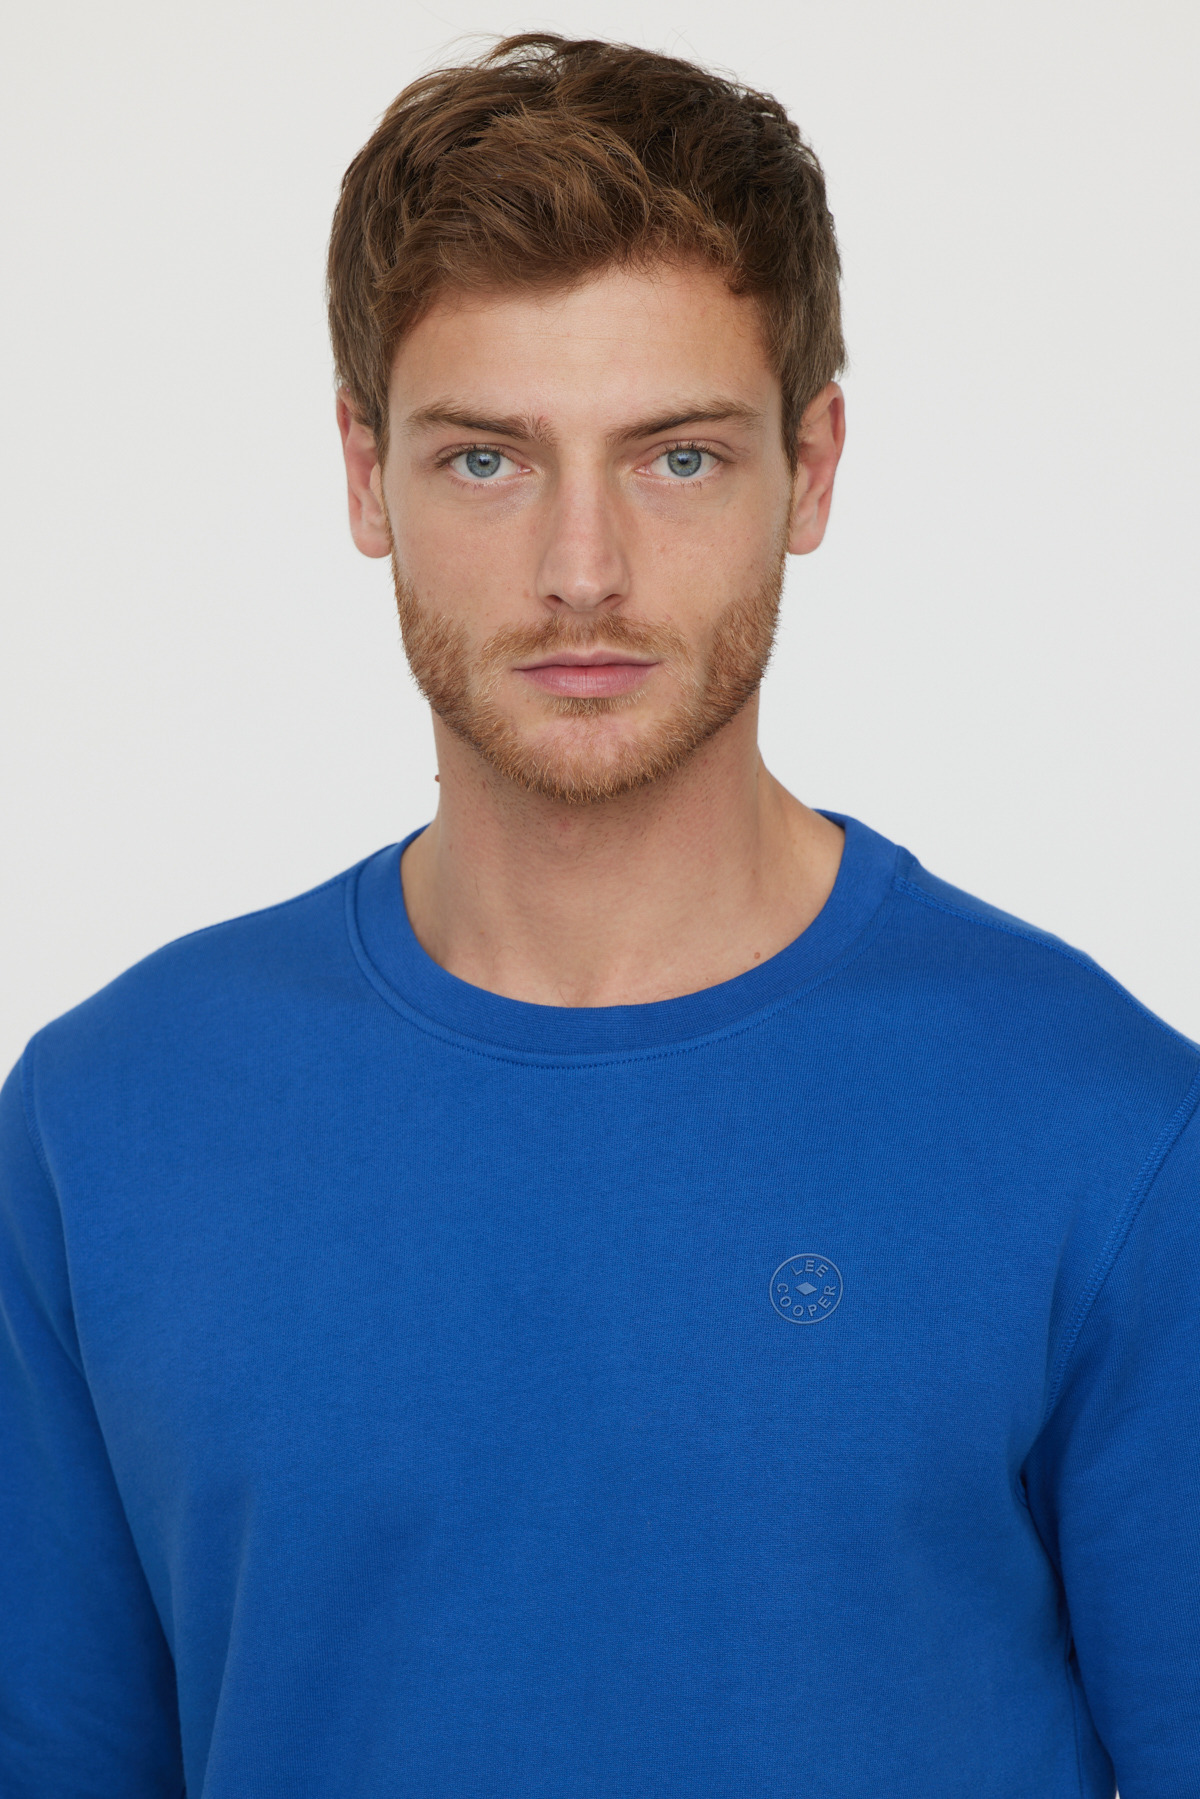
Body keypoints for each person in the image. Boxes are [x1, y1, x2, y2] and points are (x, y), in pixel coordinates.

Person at [1, 32, 1196, 1799]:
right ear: (364, 474)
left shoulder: (1112, 1136)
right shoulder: (104, 1127)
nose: (583, 571)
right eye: (488, 460)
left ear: (814, 466)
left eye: (678, 458)